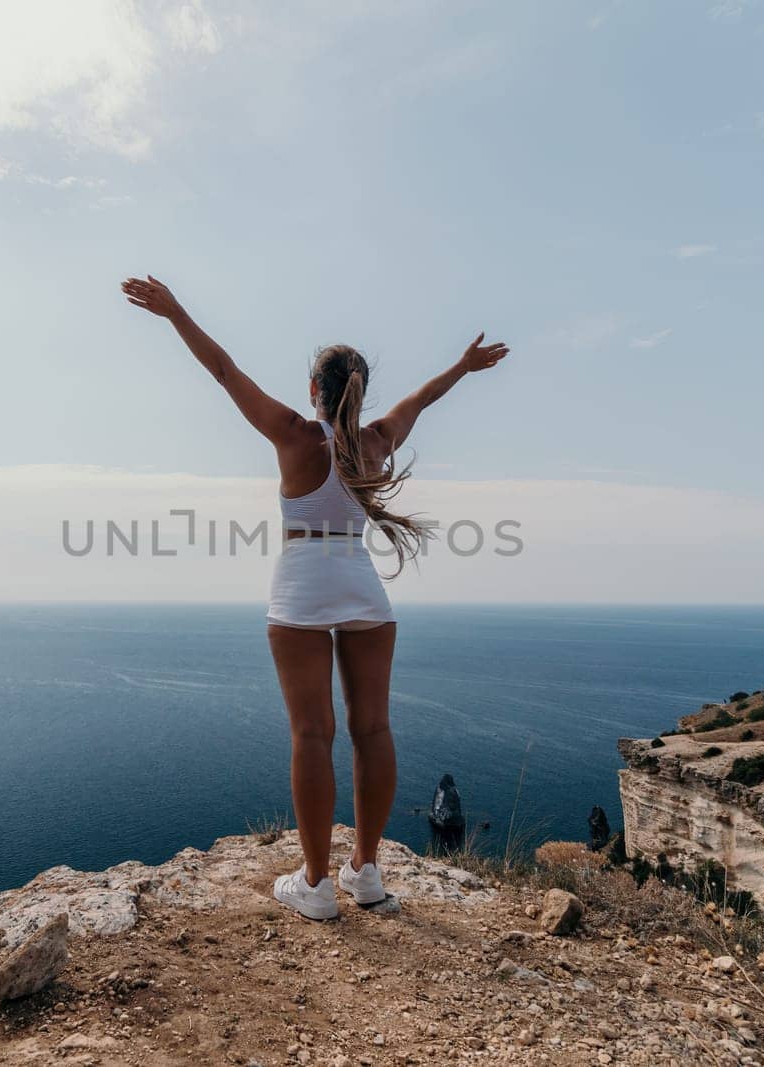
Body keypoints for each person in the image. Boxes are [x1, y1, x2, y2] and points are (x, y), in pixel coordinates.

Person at [121, 274, 509, 919]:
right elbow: (422, 399)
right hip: (363, 586)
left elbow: (223, 369)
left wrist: (173, 311)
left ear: (314, 391)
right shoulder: (377, 442)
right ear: (360, 391)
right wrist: (465, 367)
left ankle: (316, 885)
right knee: (374, 729)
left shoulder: (297, 435)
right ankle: (367, 874)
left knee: (311, 734)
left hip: (302, 583)